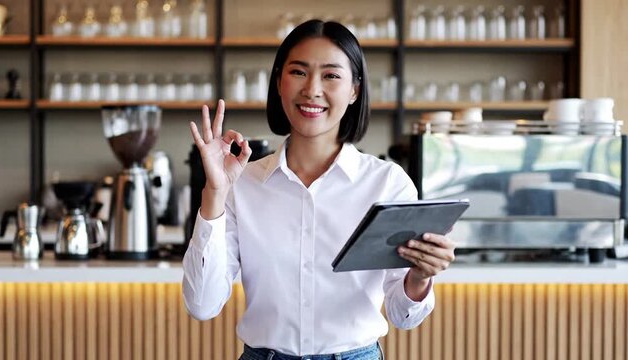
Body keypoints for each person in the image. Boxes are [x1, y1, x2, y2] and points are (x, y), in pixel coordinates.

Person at [183, 19, 456, 360]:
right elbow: (202, 306)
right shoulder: (243, 184)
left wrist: (419, 275)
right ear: (279, 81)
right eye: (298, 72)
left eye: (331, 75)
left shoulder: (388, 183)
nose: (312, 89)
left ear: (355, 89)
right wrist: (215, 193)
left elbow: (404, 316)